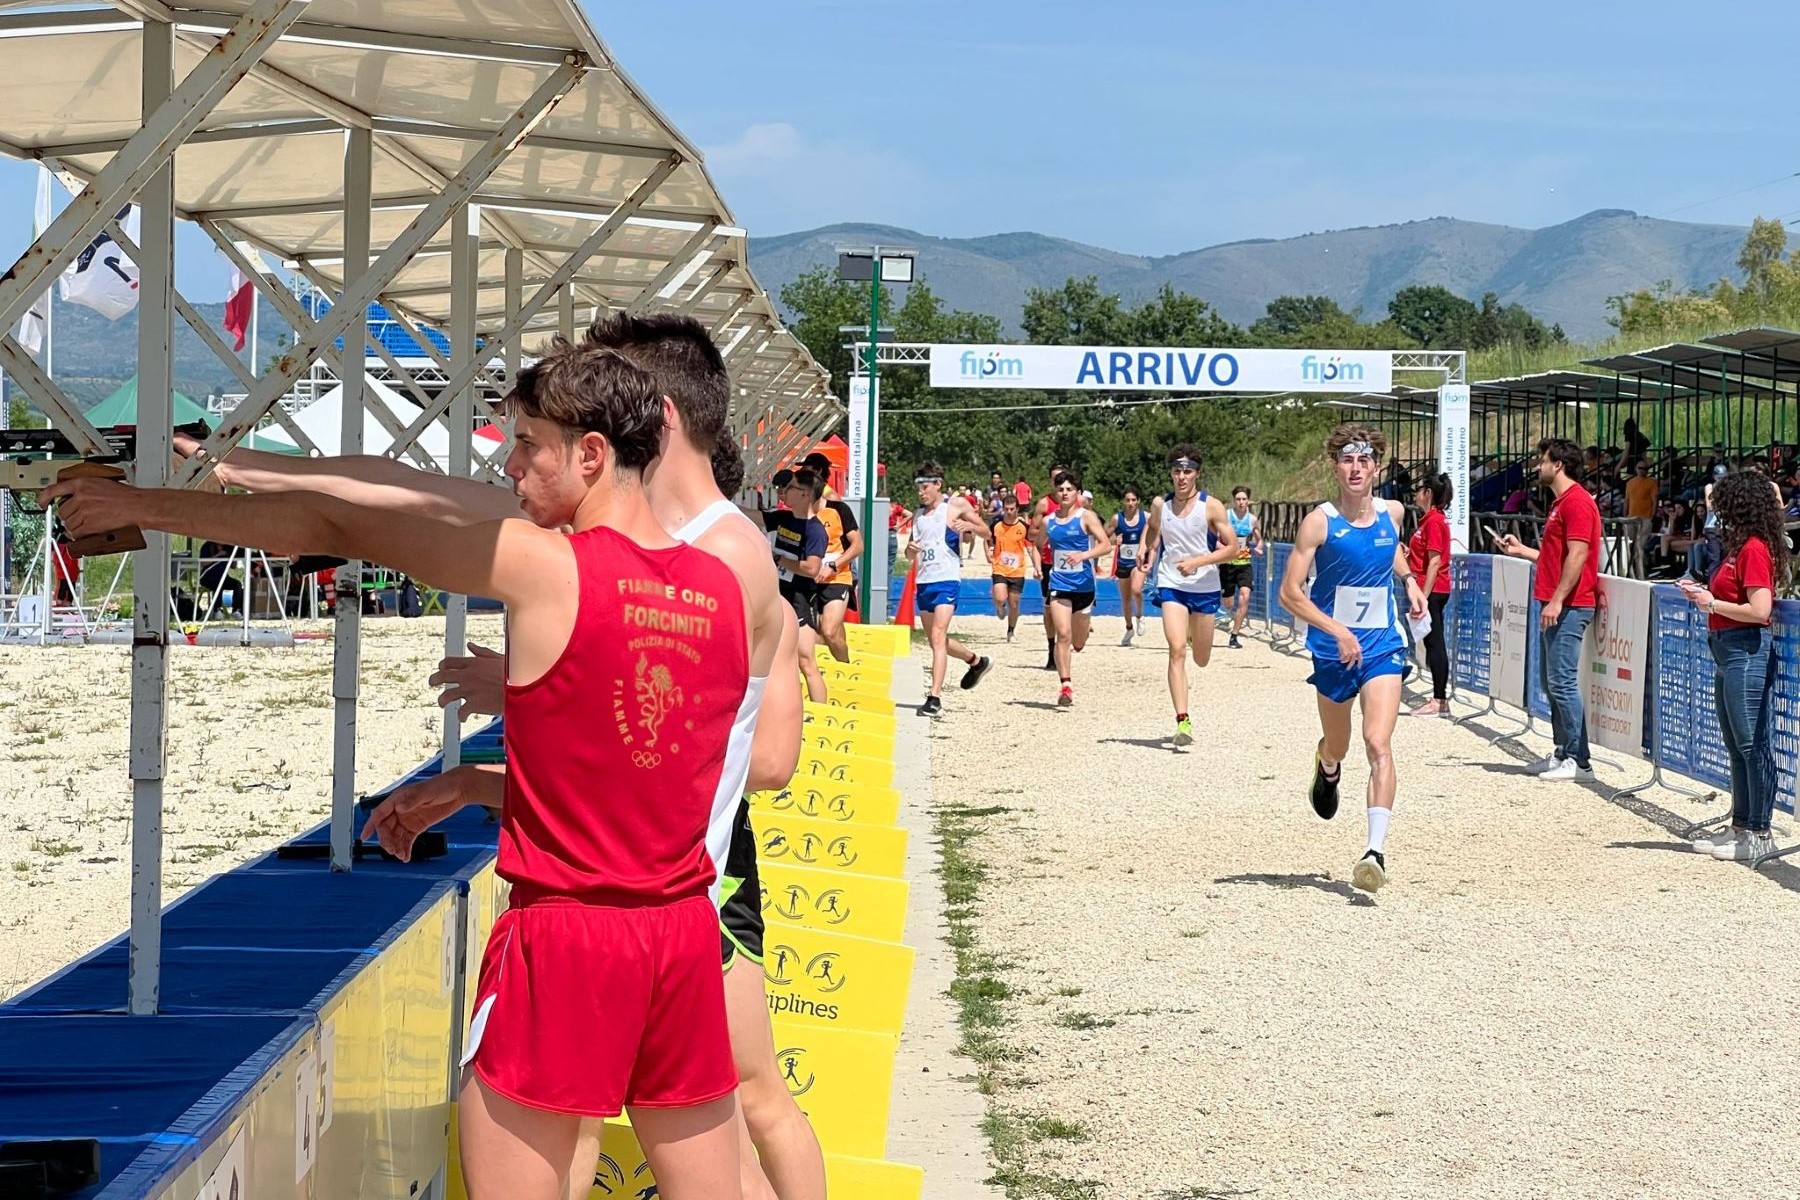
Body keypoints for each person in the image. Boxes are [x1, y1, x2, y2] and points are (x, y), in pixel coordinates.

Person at [52, 344, 751, 1200]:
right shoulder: (723, 589)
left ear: (591, 455)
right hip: (677, 926)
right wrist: (472, 786)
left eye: (527, 442)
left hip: (568, 933)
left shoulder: (549, 565)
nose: (510, 460)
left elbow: (338, 524)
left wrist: (141, 506)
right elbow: (628, 778)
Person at [1278, 424, 1427, 894]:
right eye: (1347, 460)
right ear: (1335, 466)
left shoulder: (1394, 513)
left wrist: (1409, 582)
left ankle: (1374, 852)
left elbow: (1392, 555)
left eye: (1364, 461)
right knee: (1339, 743)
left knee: (1378, 743)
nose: (1356, 468)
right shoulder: (1318, 522)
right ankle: (1326, 766)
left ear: (1376, 467)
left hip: (1382, 645)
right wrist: (1337, 630)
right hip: (1332, 649)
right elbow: (1289, 593)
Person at [1683, 471, 1787, 862]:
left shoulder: (1754, 549)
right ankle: (1743, 824)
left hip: (1745, 650)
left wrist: (1710, 603)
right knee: (1736, 744)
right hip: (1728, 649)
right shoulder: (1740, 546)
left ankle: (1758, 830)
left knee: (1750, 743)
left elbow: (1759, 610)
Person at [1498, 438, 1603, 783]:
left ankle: (1579, 759)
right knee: (1552, 681)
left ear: (1558, 464)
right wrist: (1523, 551)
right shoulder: (1563, 503)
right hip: (1559, 601)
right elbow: (1558, 556)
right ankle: (1564, 751)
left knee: (1562, 681)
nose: (1537, 466)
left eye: (1541, 460)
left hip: (1571, 605)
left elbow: (1577, 555)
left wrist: (1558, 599)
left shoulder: (1576, 503)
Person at [1141, 445, 1238, 746]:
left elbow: (1233, 549)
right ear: (1171, 473)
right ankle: (1183, 720)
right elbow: (1152, 528)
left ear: (1197, 473)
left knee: (1202, 658)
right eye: (1177, 471)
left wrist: (1198, 561)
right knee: (1176, 649)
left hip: (1204, 585)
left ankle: (1197, 634)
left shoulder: (1212, 507)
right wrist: (1148, 550)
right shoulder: (1161, 504)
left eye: (1187, 471)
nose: (1181, 477)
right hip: (1171, 582)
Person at [910, 462, 992, 717]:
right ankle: (976, 662)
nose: (921, 492)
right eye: (918, 488)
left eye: (925, 486)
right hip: (925, 581)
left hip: (947, 578)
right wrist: (908, 551)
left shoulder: (954, 507)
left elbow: (985, 530)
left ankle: (934, 699)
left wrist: (970, 528)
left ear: (937, 485)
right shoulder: (917, 515)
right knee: (938, 640)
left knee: (937, 636)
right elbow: (912, 548)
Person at [1036, 469, 1112, 707]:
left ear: (1077, 493)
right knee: (1063, 635)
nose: (1065, 493)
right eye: (1061, 490)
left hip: (1084, 586)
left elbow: (1106, 545)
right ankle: (1065, 685)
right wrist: (1040, 566)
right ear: (1055, 493)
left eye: (1069, 489)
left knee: (1078, 642)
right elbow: (1037, 545)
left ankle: (1084, 628)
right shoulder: (1049, 521)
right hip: (1059, 583)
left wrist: (1084, 555)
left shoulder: (1085, 517)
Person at [771, 469, 830, 704]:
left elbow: (812, 568)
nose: (785, 492)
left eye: (791, 488)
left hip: (799, 601)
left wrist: (780, 560)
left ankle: (822, 716)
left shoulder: (815, 530)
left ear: (805, 494)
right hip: (777, 598)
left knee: (806, 661)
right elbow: (750, 514)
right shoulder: (783, 517)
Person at [803, 466, 862, 664]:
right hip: (809, 580)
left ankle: (847, 668)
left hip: (837, 578)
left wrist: (834, 565)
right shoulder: (799, 514)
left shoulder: (838, 509)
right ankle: (832, 669)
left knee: (829, 631)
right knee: (819, 632)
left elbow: (858, 545)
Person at [1406, 473, 1454, 717]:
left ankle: (1439, 699)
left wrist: (1422, 596)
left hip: (1432, 589)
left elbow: (1434, 562)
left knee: (1435, 643)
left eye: (1419, 489)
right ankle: (1438, 696)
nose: (1415, 494)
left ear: (1428, 493)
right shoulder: (1428, 521)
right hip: (1428, 586)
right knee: (1430, 641)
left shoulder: (1434, 522)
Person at [1029, 464, 1073, 670]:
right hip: (1050, 563)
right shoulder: (1043, 505)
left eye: (1064, 482)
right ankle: (1052, 649)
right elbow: (1032, 534)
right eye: (1057, 481)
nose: (1061, 488)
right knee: (1049, 609)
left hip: (1073, 564)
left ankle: (1067, 643)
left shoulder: (1078, 503)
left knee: (1071, 608)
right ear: (1051, 483)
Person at [1219, 485, 1261, 650]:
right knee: (1228, 602)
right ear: (1233, 501)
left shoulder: (1252, 519)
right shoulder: (1226, 516)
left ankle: (1234, 636)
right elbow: (1214, 537)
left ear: (1248, 501)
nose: (1241, 502)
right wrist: (1224, 549)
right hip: (1227, 564)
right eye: (1238, 499)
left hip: (1244, 563)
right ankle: (1229, 614)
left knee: (1245, 596)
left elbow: (1259, 539)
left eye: (1244, 499)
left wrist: (1259, 547)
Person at [989, 493, 1034, 641]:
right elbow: (987, 539)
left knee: (1014, 604)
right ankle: (999, 606)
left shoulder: (1023, 526)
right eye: (1006, 509)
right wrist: (988, 551)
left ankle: (1010, 631)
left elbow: (1031, 546)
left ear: (1017, 509)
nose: (1009, 512)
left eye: (1012, 509)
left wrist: (1037, 566)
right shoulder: (996, 525)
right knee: (1001, 597)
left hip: (1017, 569)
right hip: (999, 567)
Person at [1110, 487, 1149, 645]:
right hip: (1123, 562)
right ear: (1123, 501)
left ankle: (1140, 616)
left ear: (1138, 501)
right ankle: (1129, 628)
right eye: (1128, 500)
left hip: (1138, 561)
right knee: (1125, 599)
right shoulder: (1116, 519)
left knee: (1137, 590)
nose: (1131, 503)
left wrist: (1147, 548)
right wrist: (1114, 540)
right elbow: (1104, 537)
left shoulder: (1146, 517)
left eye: (1133, 500)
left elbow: (1156, 533)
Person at [1624, 459, 1658, 577]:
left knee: (1641, 546)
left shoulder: (1652, 482)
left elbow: (1654, 501)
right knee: (1630, 545)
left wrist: (1651, 516)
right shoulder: (1630, 482)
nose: (1642, 471)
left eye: (1645, 469)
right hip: (1631, 517)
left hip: (1645, 518)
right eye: (1640, 468)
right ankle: (1629, 569)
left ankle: (1642, 570)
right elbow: (1627, 500)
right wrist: (1625, 515)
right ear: (1635, 469)